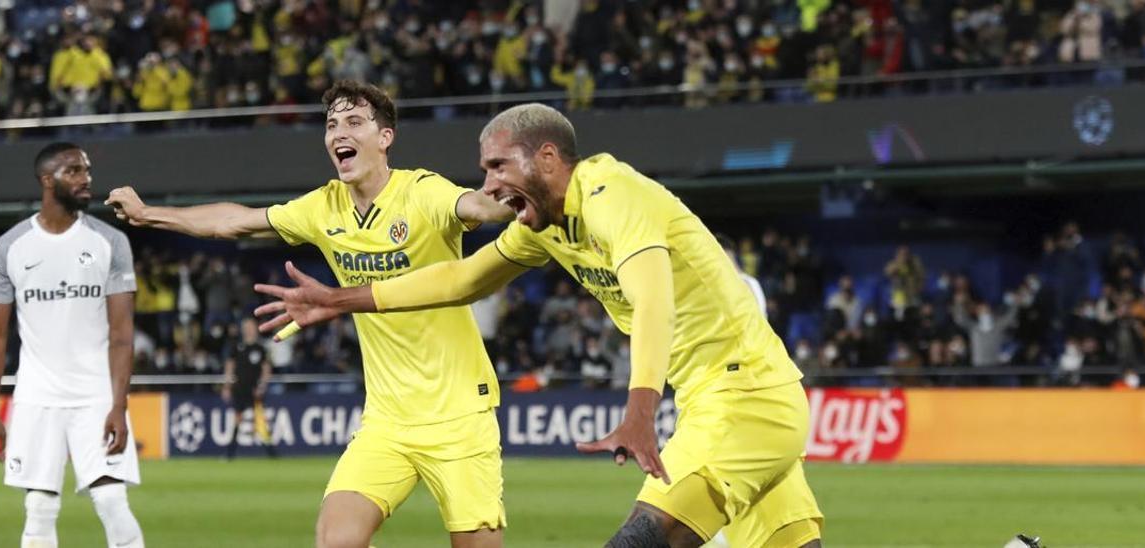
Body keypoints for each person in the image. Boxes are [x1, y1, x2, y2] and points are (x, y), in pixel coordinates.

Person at [253, 103, 824, 548]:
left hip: (743, 397)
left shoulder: (612, 195)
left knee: (643, 539)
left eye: (499, 166)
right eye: (484, 171)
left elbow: (654, 299)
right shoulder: (546, 224)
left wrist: (640, 412)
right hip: (728, 400)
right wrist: (340, 298)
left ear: (547, 158)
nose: (489, 185)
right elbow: (459, 280)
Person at [105, 80, 512, 548]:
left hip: (458, 412)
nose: (340, 131)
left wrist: (510, 197)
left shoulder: (421, 192)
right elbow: (233, 221)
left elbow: (475, 205)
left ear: (385, 138)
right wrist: (148, 214)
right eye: (332, 124)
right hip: (387, 419)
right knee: (335, 541)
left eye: (355, 122)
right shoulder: (324, 207)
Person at [0, 142, 144, 548]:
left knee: (112, 502)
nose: (85, 178)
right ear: (47, 180)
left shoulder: (111, 242)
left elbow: (122, 334)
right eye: (73, 171)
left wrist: (119, 405)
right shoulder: (9, 248)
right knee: (38, 512)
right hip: (37, 397)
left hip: (96, 395)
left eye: (86, 169)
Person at [222, 317, 277, 459]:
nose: (249, 330)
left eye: (251, 327)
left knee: (259, 419)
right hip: (239, 388)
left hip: (254, 390)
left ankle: (270, 451)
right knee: (238, 418)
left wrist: (262, 385)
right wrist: (227, 386)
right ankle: (230, 452)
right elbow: (229, 368)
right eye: (246, 327)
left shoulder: (261, 349)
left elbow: (266, 370)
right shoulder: (237, 347)